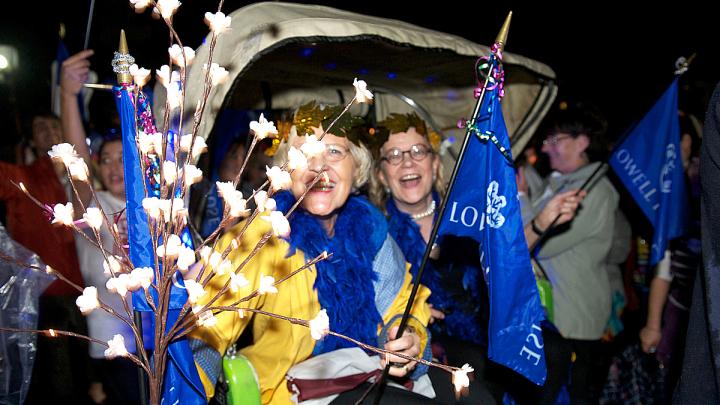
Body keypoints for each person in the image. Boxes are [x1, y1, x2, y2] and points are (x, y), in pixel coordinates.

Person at [189, 102, 437, 404]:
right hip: (290, 392)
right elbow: (207, 327)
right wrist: (186, 392)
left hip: (368, 376)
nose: (319, 166)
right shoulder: (263, 234)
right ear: (286, 171)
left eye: (334, 151)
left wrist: (406, 336)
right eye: (304, 153)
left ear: (356, 167)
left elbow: (402, 305)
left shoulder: (372, 229)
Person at [369, 112, 584, 404]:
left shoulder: (465, 213)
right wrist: (416, 309)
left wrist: (541, 222)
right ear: (381, 175)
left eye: (418, 151)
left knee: (552, 350)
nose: (408, 162)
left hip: (483, 317)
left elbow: (502, 260)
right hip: (433, 337)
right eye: (393, 155)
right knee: (479, 364)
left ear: (434, 163)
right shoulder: (377, 233)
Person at [59, 49, 140, 404]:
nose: (112, 167)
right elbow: (77, 165)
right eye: (104, 160)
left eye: (121, 158)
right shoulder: (92, 204)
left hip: (155, 335)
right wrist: (68, 96)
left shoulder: (150, 206)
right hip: (113, 341)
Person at [528, 106, 618, 404]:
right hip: (553, 310)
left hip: (574, 316)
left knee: (568, 394)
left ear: (582, 142)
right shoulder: (558, 182)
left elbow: (546, 243)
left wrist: (518, 195)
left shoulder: (595, 192)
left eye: (555, 139)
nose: (544, 146)